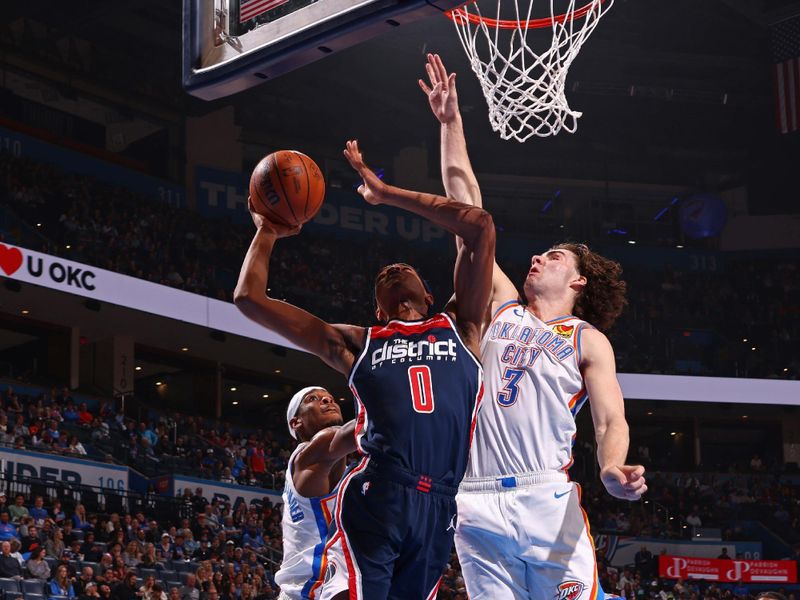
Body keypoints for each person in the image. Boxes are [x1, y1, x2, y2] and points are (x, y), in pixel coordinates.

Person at [419, 53, 646, 599]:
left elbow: (611, 418)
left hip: (546, 499)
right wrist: (451, 123)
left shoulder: (587, 339)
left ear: (579, 282)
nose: (537, 260)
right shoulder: (502, 304)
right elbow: (464, 208)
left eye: (552, 256)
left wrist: (613, 469)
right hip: (474, 501)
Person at [234, 139, 493, 599]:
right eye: (382, 278)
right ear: (377, 311)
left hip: (440, 505)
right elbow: (249, 300)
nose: (392, 269)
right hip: (381, 493)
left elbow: (479, 226)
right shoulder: (360, 342)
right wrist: (268, 232)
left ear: (431, 296)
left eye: (403, 267)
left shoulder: (463, 326)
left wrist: (386, 192)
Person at [272, 386, 356, 600]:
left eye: (331, 397)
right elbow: (364, 429)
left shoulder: (338, 470)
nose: (328, 400)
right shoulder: (308, 455)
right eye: (314, 399)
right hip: (311, 589)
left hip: (307, 589)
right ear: (296, 422)